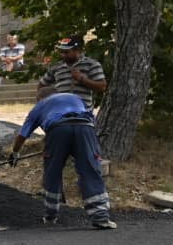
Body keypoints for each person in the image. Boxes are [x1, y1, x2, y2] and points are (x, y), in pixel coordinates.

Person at [10, 87, 117, 229]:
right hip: (85, 128)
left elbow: (23, 134)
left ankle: (50, 217)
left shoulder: (39, 106)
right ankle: (100, 217)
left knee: (53, 172)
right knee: (90, 170)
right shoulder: (75, 97)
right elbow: (91, 118)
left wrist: (15, 152)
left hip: (58, 130)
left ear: (40, 97)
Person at [38, 35, 108, 109]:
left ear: (77, 50)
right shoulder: (56, 66)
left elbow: (102, 86)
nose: (63, 55)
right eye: (61, 52)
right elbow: (42, 85)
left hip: (82, 113)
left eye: (66, 52)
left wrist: (82, 79)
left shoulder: (91, 64)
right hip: (60, 112)